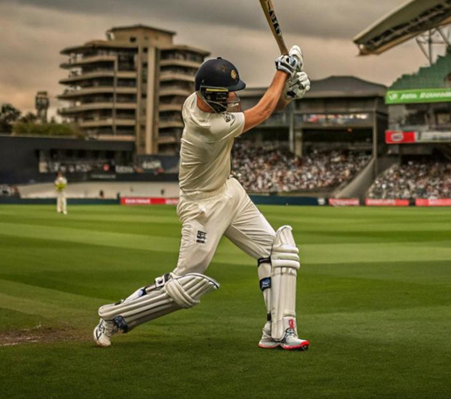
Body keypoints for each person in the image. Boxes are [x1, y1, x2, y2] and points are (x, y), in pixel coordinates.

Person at [93, 47, 311, 351]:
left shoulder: (197, 102)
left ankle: (279, 330)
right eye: (227, 95)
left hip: (229, 190)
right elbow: (260, 112)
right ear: (209, 95)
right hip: (202, 207)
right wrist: (283, 72)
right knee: (183, 286)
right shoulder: (207, 127)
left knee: (279, 250)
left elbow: (261, 111)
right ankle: (114, 318)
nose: (232, 100)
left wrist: (286, 96)